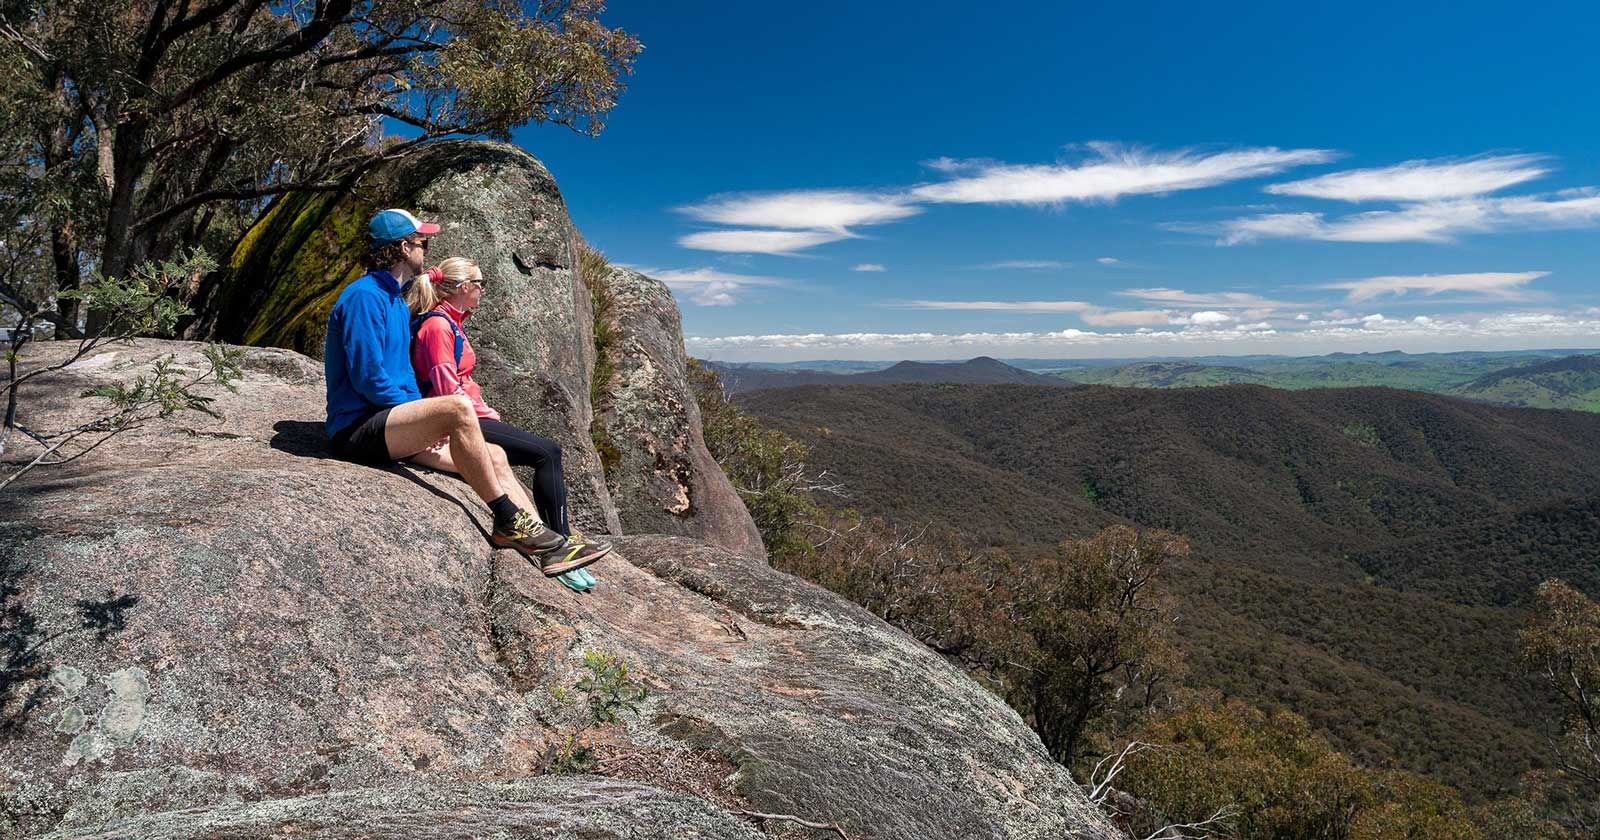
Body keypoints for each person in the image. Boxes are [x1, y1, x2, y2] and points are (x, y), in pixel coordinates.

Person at [323, 208, 606, 580]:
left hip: (391, 425)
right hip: (358, 429)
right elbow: (368, 378)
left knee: (496, 456)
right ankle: (506, 519)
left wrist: (425, 420)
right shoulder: (364, 297)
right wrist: (429, 417)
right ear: (404, 248)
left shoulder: (395, 300)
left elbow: (403, 375)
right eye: (422, 242)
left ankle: (554, 549)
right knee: (457, 409)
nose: (426, 249)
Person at [406, 257, 610, 591]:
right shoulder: (438, 327)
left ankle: (557, 543)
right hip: (460, 418)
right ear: (464, 287)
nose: (483, 290)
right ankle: (563, 543)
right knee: (547, 452)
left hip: (470, 414)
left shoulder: (450, 322)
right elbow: (446, 389)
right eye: (480, 284)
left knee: (541, 453)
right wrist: (477, 414)